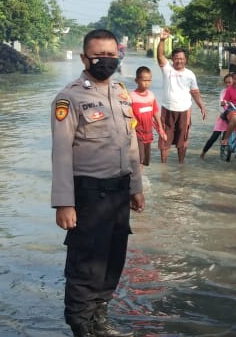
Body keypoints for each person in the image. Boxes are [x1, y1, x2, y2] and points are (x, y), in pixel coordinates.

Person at [50, 29, 145, 337]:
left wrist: (136, 187)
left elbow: (131, 145)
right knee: (86, 265)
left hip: (119, 193)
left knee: (112, 261)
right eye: (98, 56)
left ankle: (99, 321)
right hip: (88, 194)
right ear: (84, 58)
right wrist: (64, 202)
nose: (105, 61)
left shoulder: (120, 93)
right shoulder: (70, 97)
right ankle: (80, 325)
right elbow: (61, 152)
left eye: (111, 55)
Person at [155, 28, 206, 163]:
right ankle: (163, 167)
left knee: (182, 140)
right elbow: (160, 56)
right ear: (172, 59)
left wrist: (201, 106)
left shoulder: (190, 74)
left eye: (182, 59)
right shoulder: (167, 69)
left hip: (185, 110)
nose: (179, 61)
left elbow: (195, 92)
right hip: (167, 109)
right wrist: (162, 40)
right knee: (165, 139)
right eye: (176, 58)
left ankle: (181, 165)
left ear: (186, 60)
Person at [131, 66, 168, 166]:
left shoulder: (151, 95)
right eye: (144, 80)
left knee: (145, 160)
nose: (147, 83)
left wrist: (160, 129)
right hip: (137, 134)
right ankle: (137, 179)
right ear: (136, 80)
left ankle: (140, 177)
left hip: (148, 133)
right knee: (139, 159)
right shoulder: (131, 97)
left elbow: (155, 112)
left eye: (149, 80)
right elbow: (128, 115)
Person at [199, 73, 236, 161]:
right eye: (226, 83)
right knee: (214, 136)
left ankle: (226, 157)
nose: (228, 84)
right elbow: (221, 105)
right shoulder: (223, 92)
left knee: (233, 136)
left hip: (234, 117)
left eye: (230, 82)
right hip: (223, 117)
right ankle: (203, 154)